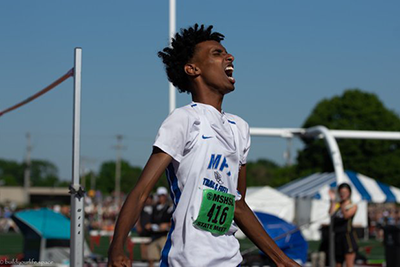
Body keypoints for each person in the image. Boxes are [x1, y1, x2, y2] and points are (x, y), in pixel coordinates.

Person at [108, 24, 299, 267]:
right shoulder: (184, 119)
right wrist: (117, 246)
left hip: (231, 260)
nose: (229, 57)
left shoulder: (239, 128)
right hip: (187, 260)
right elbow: (142, 191)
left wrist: (281, 260)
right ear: (192, 69)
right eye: (217, 53)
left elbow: (238, 205)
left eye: (227, 53)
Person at [329, 183, 358, 267]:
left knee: (349, 263)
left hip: (347, 236)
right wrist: (333, 200)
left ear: (349, 193)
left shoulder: (352, 205)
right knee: (338, 262)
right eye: (341, 192)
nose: (343, 194)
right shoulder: (337, 204)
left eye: (345, 192)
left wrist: (342, 205)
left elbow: (346, 216)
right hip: (338, 236)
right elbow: (331, 213)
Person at [146, 187, 173, 267]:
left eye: (162, 195)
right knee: (150, 259)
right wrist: (150, 225)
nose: (161, 197)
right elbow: (150, 221)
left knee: (165, 258)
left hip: (164, 236)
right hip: (154, 236)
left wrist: (167, 225)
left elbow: (174, 221)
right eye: (159, 195)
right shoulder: (154, 208)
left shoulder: (169, 208)